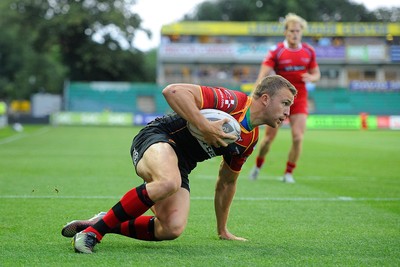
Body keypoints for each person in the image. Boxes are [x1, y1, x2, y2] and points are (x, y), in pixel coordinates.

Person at [61, 75, 297, 254]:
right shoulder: (232, 102)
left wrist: (222, 229)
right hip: (157, 138)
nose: (287, 112)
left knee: (171, 228)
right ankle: (93, 234)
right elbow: (172, 91)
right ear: (265, 99)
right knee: (168, 181)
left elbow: (226, 183)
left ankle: (104, 220)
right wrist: (204, 125)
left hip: (181, 165)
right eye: (285, 103)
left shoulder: (249, 140)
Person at [249, 13, 321, 183]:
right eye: (291, 31)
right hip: (278, 101)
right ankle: (258, 166)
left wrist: (313, 78)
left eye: (297, 31)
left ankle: (288, 173)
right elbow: (263, 75)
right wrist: (254, 96)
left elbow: (317, 73)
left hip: (300, 98)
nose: (294, 34)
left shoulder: (309, 51)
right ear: (286, 32)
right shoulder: (277, 51)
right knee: (267, 140)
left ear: (301, 32)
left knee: (298, 137)